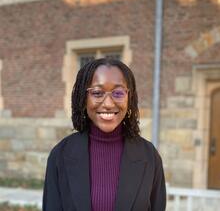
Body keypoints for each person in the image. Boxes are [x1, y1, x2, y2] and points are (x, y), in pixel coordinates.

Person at [43, 58, 166, 211]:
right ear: (83, 98)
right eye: (97, 92)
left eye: (118, 93)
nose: (108, 104)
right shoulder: (60, 155)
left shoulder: (149, 156)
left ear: (130, 97)